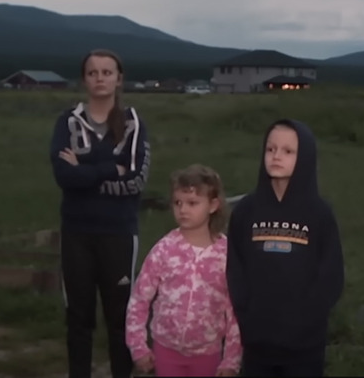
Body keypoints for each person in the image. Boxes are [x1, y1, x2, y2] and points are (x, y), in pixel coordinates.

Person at [50, 49, 151, 378]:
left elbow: (135, 181)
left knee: (120, 317)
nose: (100, 78)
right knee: (78, 317)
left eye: (107, 72)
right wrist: (110, 168)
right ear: (84, 79)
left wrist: (87, 172)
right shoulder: (67, 122)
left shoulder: (133, 123)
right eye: (93, 73)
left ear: (119, 78)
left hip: (118, 233)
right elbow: (64, 177)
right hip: (77, 233)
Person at [226, 119, 345, 377]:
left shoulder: (319, 214)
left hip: (304, 346)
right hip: (257, 342)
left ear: (305, 157)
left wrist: (306, 321)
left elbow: (331, 276)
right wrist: (248, 317)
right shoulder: (246, 211)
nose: (276, 156)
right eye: (271, 149)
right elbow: (235, 269)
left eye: (288, 151)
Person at [125, 164, 242, 377]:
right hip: (166, 351)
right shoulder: (164, 249)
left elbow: (234, 309)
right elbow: (139, 299)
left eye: (192, 203)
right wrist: (137, 346)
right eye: (178, 203)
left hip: (207, 355)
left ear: (213, 205)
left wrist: (231, 360)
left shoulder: (226, 255)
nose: (183, 210)